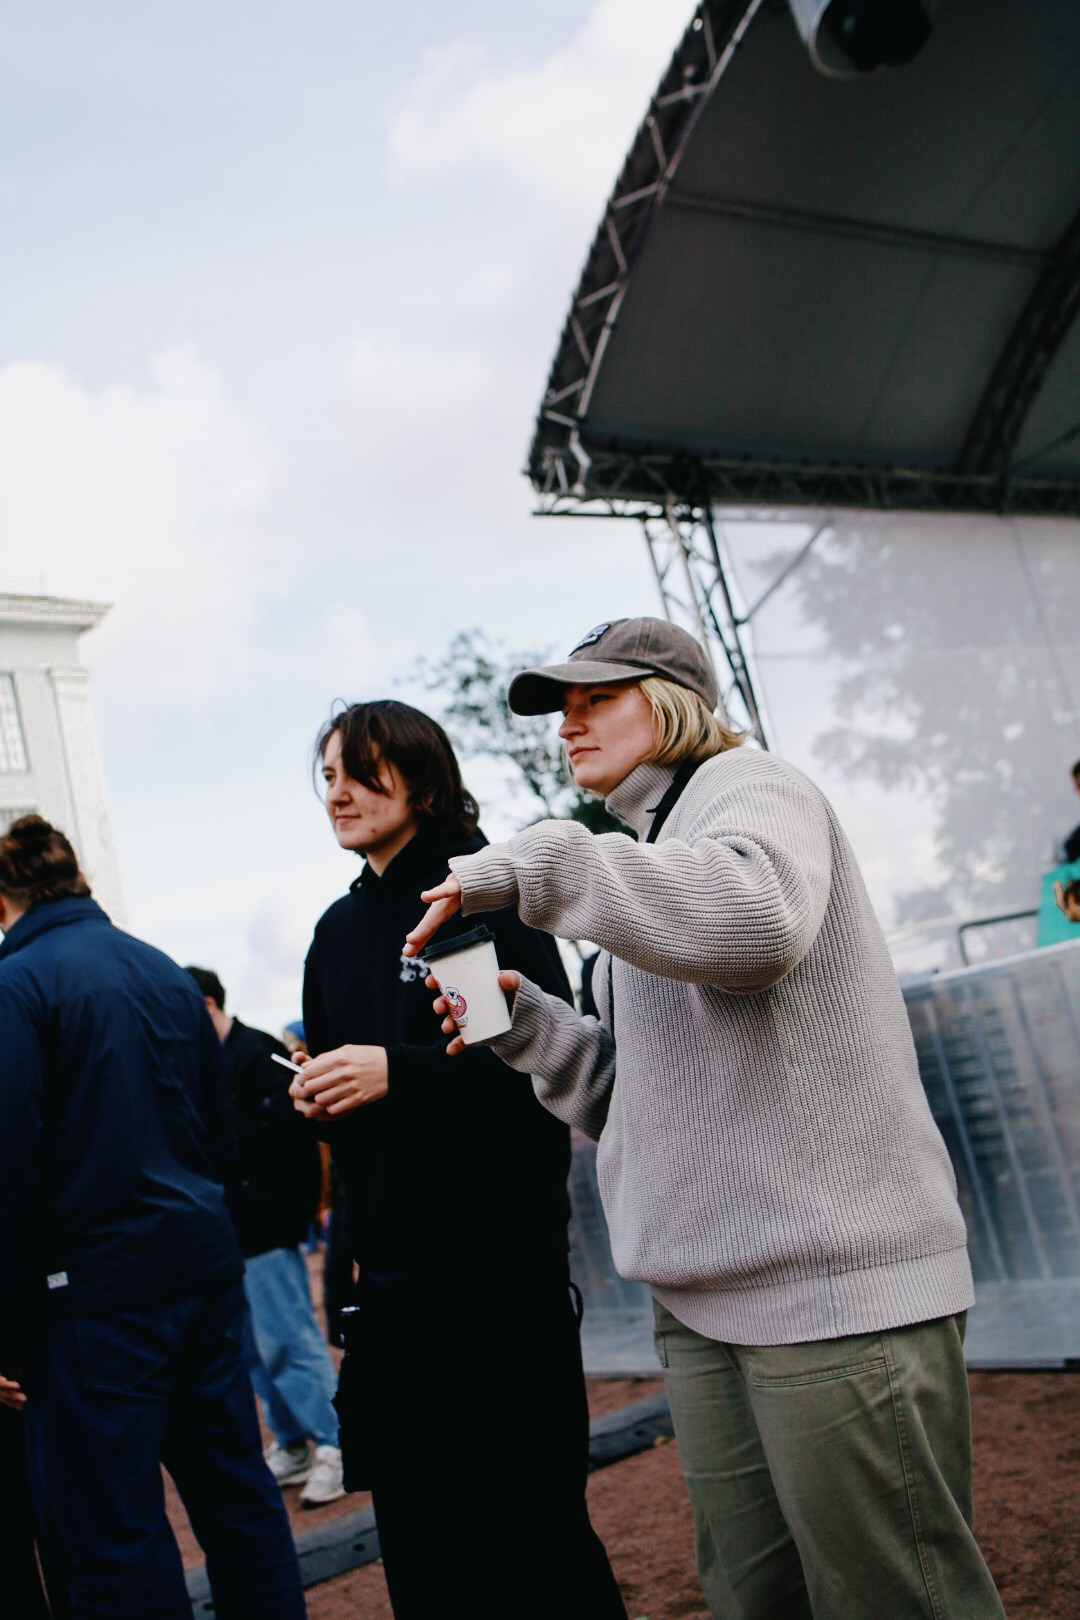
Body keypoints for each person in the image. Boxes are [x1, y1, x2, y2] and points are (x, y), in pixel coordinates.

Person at [406, 617, 1006, 1620]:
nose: (569, 724)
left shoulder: (751, 785)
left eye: (597, 698)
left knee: (896, 1599)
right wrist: (528, 1029)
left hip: (829, 1294)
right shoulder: (651, 856)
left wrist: (544, 862)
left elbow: (758, 926)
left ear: (673, 700)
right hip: (699, 1300)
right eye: (562, 708)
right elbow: (635, 1101)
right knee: (753, 1597)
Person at [289, 700, 626, 1620]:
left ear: (422, 776)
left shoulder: (473, 895)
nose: (338, 793)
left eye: (361, 771)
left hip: (496, 1282)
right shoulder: (334, 933)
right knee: (424, 1552)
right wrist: (319, 1100)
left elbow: (528, 1079)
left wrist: (392, 1072)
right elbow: (355, 1122)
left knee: (533, 1540)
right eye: (328, 776)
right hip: (391, 1295)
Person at [0, 816, 306, 1620]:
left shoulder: (17, 984)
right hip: (201, 1270)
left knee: (114, 1535)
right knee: (240, 1501)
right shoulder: (164, 972)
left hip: (91, 1298)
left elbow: (10, 1162)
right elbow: (216, 1134)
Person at [185, 966, 345, 1507]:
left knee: (288, 1340)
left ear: (207, 1004)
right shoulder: (211, 1059)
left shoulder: (255, 1053)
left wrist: (291, 1214)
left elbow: (294, 1142)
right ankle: (295, 1441)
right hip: (232, 1229)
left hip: (264, 1226)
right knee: (254, 1348)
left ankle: (336, 1443)